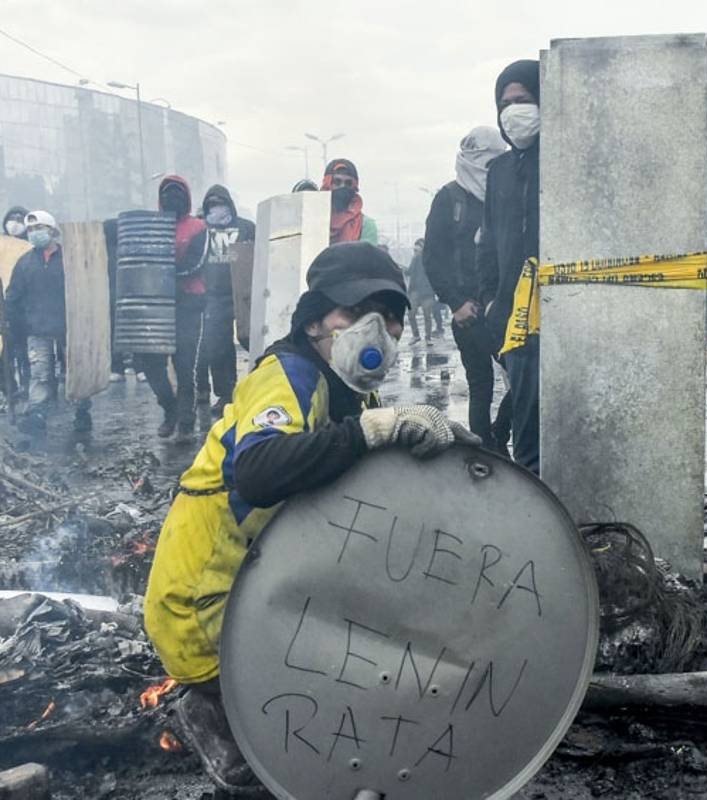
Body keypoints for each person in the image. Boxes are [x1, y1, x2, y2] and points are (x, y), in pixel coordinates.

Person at [144, 241, 478, 791]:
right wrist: (375, 432)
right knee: (343, 714)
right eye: (356, 313)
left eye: (392, 320)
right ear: (317, 319)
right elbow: (258, 468)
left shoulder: (344, 392)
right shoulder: (290, 376)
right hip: (205, 615)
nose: (378, 331)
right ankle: (210, 709)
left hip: (265, 595)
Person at [424, 126, 509, 451]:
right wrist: (456, 303)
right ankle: (483, 451)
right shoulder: (449, 198)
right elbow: (433, 258)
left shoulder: (504, 196)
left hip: (503, 306)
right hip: (469, 312)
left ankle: (499, 434)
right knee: (481, 385)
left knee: (525, 374)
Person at [479, 58, 542, 473]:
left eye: (523, 100)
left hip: (560, 304)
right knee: (526, 414)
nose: (513, 111)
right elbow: (488, 243)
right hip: (513, 313)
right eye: (506, 103)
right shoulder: (498, 170)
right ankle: (535, 497)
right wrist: (489, 300)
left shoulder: (561, 160)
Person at [5, 211, 91, 434]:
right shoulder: (24, 263)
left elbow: (85, 289)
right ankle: (38, 414)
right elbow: (13, 295)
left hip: (69, 327)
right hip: (37, 329)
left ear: (52, 230)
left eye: (39, 228)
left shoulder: (69, 260)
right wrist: (14, 325)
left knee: (74, 372)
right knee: (40, 373)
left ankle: (81, 411)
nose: (34, 234)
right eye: (31, 230)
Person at [138, 176, 209, 439]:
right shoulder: (150, 226)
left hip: (188, 303)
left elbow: (197, 263)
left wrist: (165, 275)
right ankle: (170, 409)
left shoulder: (198, 227)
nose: (172, 197)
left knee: (184, 362)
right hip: (156, 305)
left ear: (187, 197)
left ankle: (187, 419)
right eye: (167, 193)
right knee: (151, 362)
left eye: (178, 193)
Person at [196, 185, 255, 415]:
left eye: (221, 203)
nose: (217, 208)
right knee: (217, 347)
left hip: (244, 292)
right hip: (214, 295)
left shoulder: (247, 227)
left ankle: (263, 384)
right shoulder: (201, 229)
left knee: (254, 341)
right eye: (212, 204)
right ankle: (226, 394)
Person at [3, 204, 31, 396]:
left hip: (24, 309)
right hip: (3, 305)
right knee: (5, 352)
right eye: (11, 219)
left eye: (20, 220)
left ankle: (27, 386)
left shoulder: (31, 249)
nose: (14, 223)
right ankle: (8, 387)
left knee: (24, 351)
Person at [321, 159, 379, 245]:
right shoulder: (312, 219)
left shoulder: (366, 225)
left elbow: (367, 257)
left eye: (348, 183)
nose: (342, 186)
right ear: (327, 184)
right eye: (337, 182)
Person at [405, 238, 442, 343]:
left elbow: (408, 272)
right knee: (417, 315)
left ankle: (424, 337)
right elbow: (409, 272)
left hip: (426, 292)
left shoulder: (427, 258)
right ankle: (421, 337)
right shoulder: (417, 258)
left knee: (423, 315)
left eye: (418, 246)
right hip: (417, 291)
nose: (415, 249)